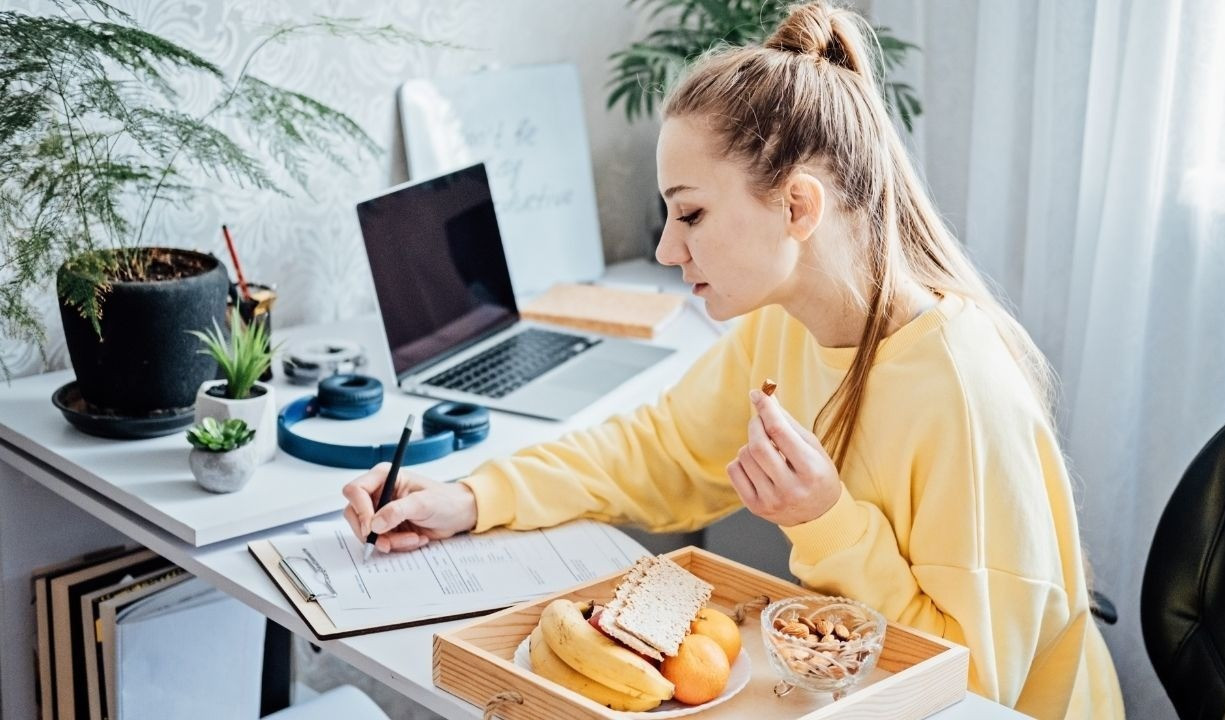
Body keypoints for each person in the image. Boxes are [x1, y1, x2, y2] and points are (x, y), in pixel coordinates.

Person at [342, 2, 1123, 716]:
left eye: (691, 213)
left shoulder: (961, 389)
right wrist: (472, 497)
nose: (665, 247)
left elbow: (978, 686)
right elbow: (656, 451)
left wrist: (825, 522)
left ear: (798, 207)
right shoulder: (783, 324)